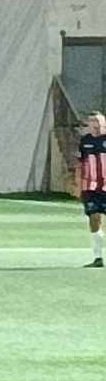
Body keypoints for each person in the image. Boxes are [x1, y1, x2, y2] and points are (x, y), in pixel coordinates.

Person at [80, 112, 106, 267]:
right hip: (90, 188)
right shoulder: (85, 141)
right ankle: (98, 257)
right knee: (94, 218)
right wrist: (78, 184)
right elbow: (81, 163)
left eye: (97, 120)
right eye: (91, 121)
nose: (94, 124)